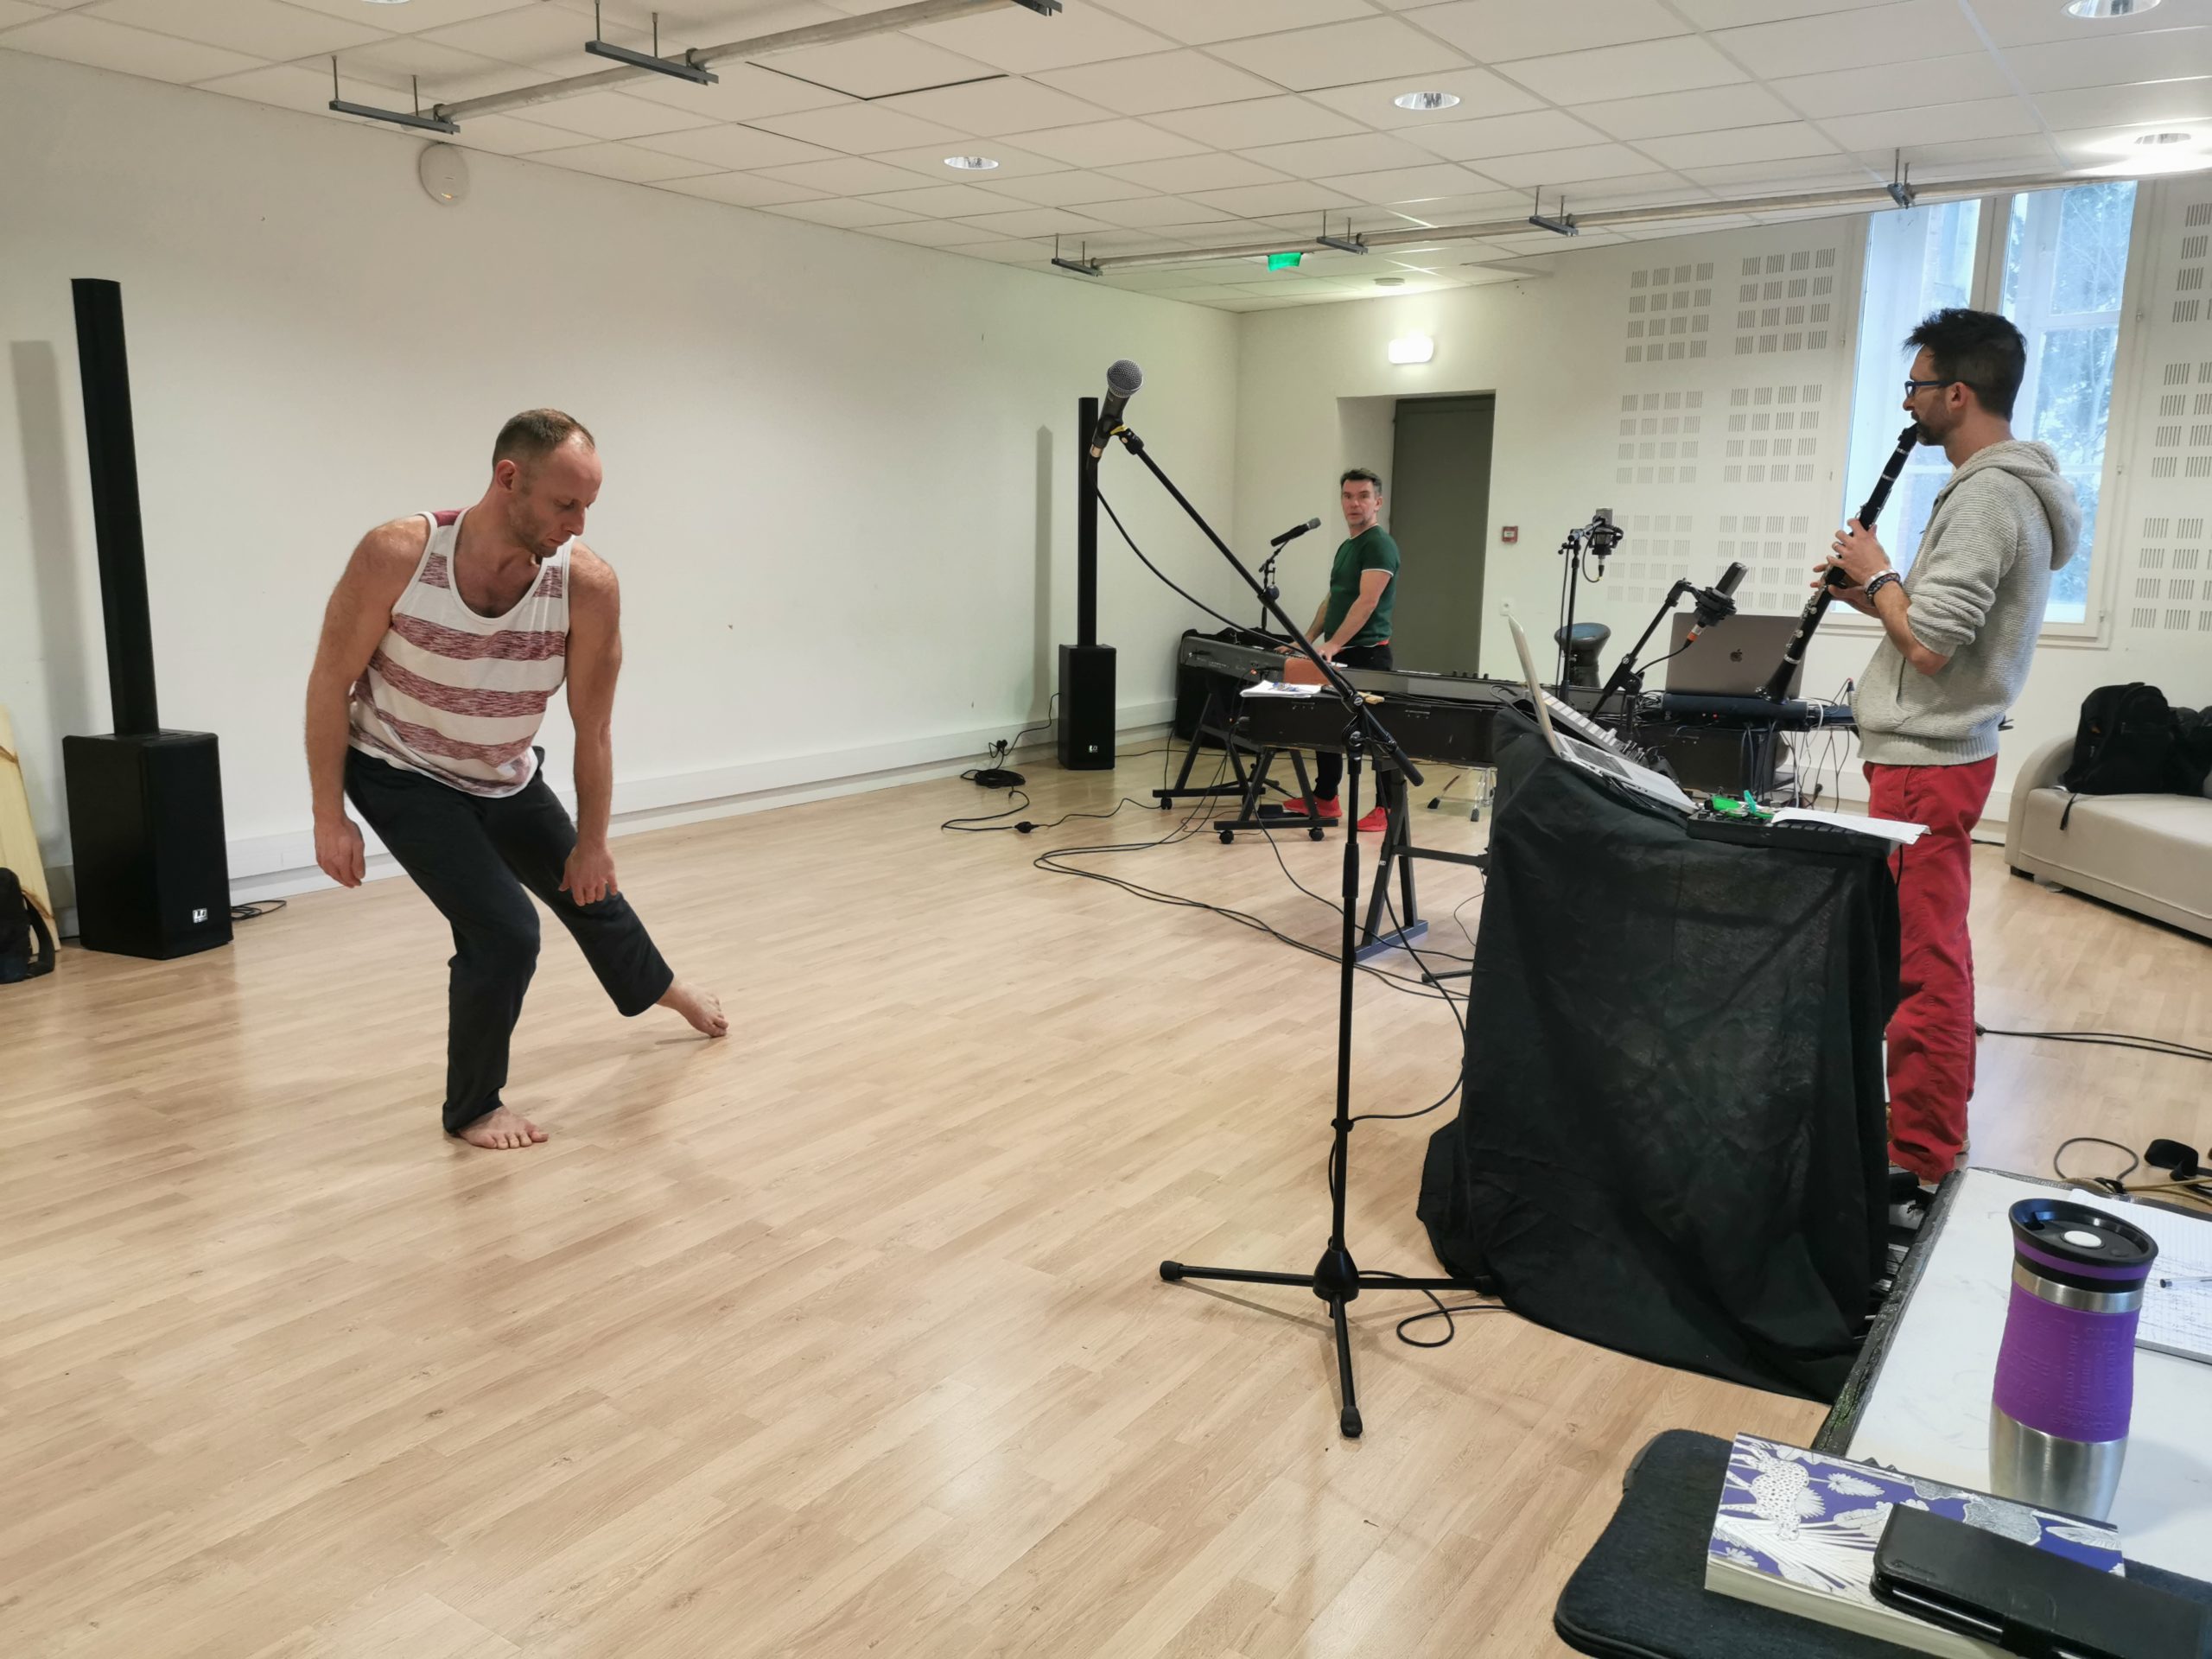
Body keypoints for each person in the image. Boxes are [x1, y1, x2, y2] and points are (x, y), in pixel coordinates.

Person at [304, 410, 726, 1151]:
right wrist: (328, 816)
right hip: (400, 768)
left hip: (502, 770)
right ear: (509, 478)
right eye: (566, 504)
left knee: (591, 890)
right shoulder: (398, 554)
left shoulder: (586, 586)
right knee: (505, 933)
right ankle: (473, 1108)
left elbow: (593, 728)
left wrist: (593, 842)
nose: (579, 523)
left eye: (589, 506)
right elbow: (329, 682)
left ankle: (659, 986)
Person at [1821, 309, 2080, 1191]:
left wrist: (1881, 572)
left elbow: (1929, 645)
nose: (1908, 403)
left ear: (1957, 394)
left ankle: (1920, 1154)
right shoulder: (2007, 492)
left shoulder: (1986, 496)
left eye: (1916, 386)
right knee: (1935, 949)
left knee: (1919, 965)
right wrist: (1869, 595)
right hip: (1941, 755)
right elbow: (1935, 629)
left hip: (1925, 764)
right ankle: (1936, 1123)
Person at [1281, 467, 1401, 832]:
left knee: (1378, 736)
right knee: (1326, 725)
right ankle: (1325, 798)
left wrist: (1333, 643)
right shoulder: (1348, 546)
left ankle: (1387, 808)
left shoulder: (1379, 544)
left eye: (1363, 496)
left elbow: (1367, 602)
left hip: (1367, 654)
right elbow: (1334, 598)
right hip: (1339, 652)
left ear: (1378, 502)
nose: (1354, 503)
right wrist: (1308, 639)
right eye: (1348, 496)